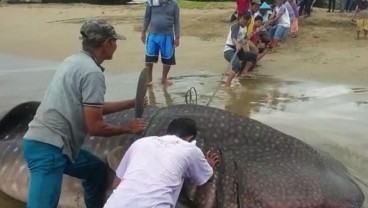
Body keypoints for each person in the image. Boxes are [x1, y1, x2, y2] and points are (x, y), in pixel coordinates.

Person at [22, 19, 146, 208]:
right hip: (47, 150)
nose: (115, 47)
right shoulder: (92, 73)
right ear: (107, 44)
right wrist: (128, 128)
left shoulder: (73, 61)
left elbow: (91, 107)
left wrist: (131, 103)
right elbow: (95, 127)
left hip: (62, 147)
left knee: (96, 171)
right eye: (115, 42)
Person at [103, 117, 220, 208]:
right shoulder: (190, 149)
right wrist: (209, 165)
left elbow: (116, 184)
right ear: (190, 138)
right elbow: (205, 177)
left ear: (167, 132)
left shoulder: (141, 142)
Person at [141, 0, 180, 87]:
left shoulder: (174, 5)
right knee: (149, 59)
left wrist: (177, 37)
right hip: (153, 36)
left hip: (167, 37)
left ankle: (164, 79)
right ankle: (149, 79)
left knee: (167, 60)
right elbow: (147, 17)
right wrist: (143, 32)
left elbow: (176, 21)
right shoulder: (151, 3)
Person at [223, 12, 258, 87]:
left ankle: (244, 72)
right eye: (244, 18)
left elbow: (243, 39)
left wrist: (248, 38)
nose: (245, 21)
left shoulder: (245, 28)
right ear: (240, 18)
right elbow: (233, 37)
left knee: (253, 56)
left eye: (247, 19)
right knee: (237, 65)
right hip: (229, 50)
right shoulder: (236, 26)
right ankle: (227, 84)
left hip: (238, 51)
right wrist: (237, 44)